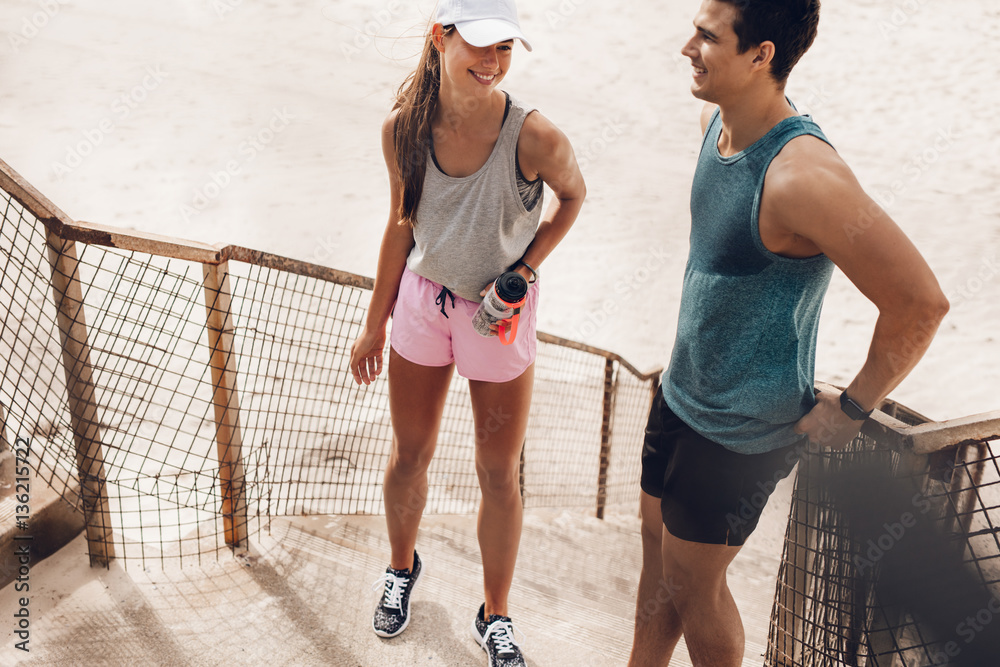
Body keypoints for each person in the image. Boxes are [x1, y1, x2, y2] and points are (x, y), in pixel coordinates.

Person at [628, 1, 950, 665]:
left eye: (707, 37)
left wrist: (856, 404)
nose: (687, 45)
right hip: (679, 394)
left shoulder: (803, 177)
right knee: (659, 571)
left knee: (696, 590)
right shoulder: (714, 122)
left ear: (761, 54)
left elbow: (920, 303)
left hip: (738, 435)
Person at [347, 0, 585, 665]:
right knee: (410, 454)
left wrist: (525, 269)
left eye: (506, 47)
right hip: (421, 304)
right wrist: (375, 323)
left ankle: (496, 614)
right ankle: (400, 569)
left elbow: (574, 197)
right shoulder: (401, 130)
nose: (493, 61)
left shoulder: (534, 136)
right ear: (440, 38)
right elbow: (402, 223)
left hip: (498, 316)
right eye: (481, 45)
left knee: (497, 471)